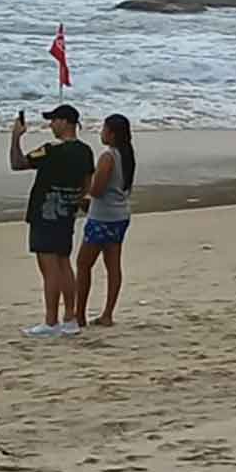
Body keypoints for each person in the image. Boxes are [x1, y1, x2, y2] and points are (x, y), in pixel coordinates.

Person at [9, 104, 94, 337]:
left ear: (66, 122)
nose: (51, 125)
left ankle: (51, 320)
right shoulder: (85, 151)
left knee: (49, 268)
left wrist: (15, 137)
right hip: (66, 212)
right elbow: (88, 181)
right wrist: (80, 201)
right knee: (64, 263)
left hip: (45, 213)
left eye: (54, 120)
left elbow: (17, 163)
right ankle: (70, 317)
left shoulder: (50, 151)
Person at [77, 114, 136, 328]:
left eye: (103, 128)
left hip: (102, 216)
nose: (101, 132)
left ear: (111, 133)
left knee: (83, 264)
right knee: (113, 265)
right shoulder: (127, 155)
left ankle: (80, 314)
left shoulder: (108, 157)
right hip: (120, 215)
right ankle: (108, 313)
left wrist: (84, 193)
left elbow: (97, 190)